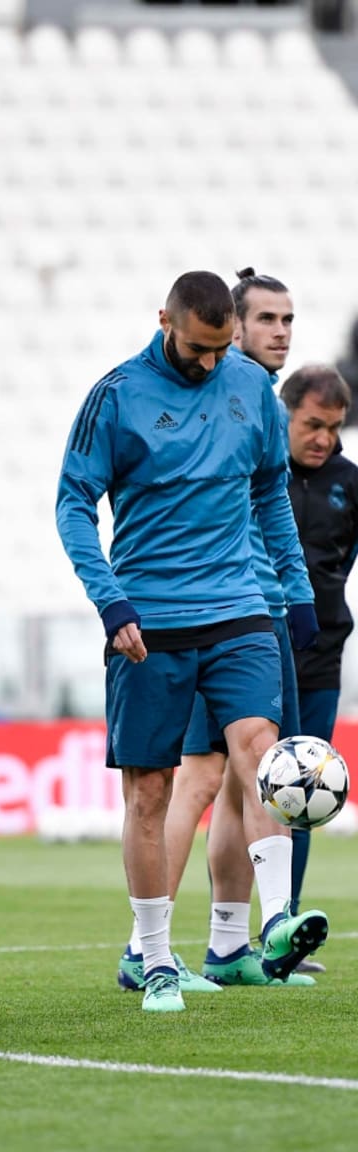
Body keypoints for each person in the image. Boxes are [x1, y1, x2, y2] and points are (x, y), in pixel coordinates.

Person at [56, 269, 326, 1013]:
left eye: (220, 349)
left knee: (262, 749)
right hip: (149, 622)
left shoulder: (248, 388)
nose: (210, 364)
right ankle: (153, 956)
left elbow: (270, 488)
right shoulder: (116, 396)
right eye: (199, 348)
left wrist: (296, 588)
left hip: (239, 606)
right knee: (151, 790)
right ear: (164, 321)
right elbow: (73, 502)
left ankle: (275, 920)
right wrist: (109, 600)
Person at [282, 363, 358, 913]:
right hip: (258, 648)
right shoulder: (260, 476)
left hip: (324, 653)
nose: (323, 439)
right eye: (312, 424)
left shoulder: (349, 481)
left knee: (305, 793)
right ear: (285, 415)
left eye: (333, 427)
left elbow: (344, 562)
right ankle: (230, 934)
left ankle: (283, 929)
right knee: (246, 791)